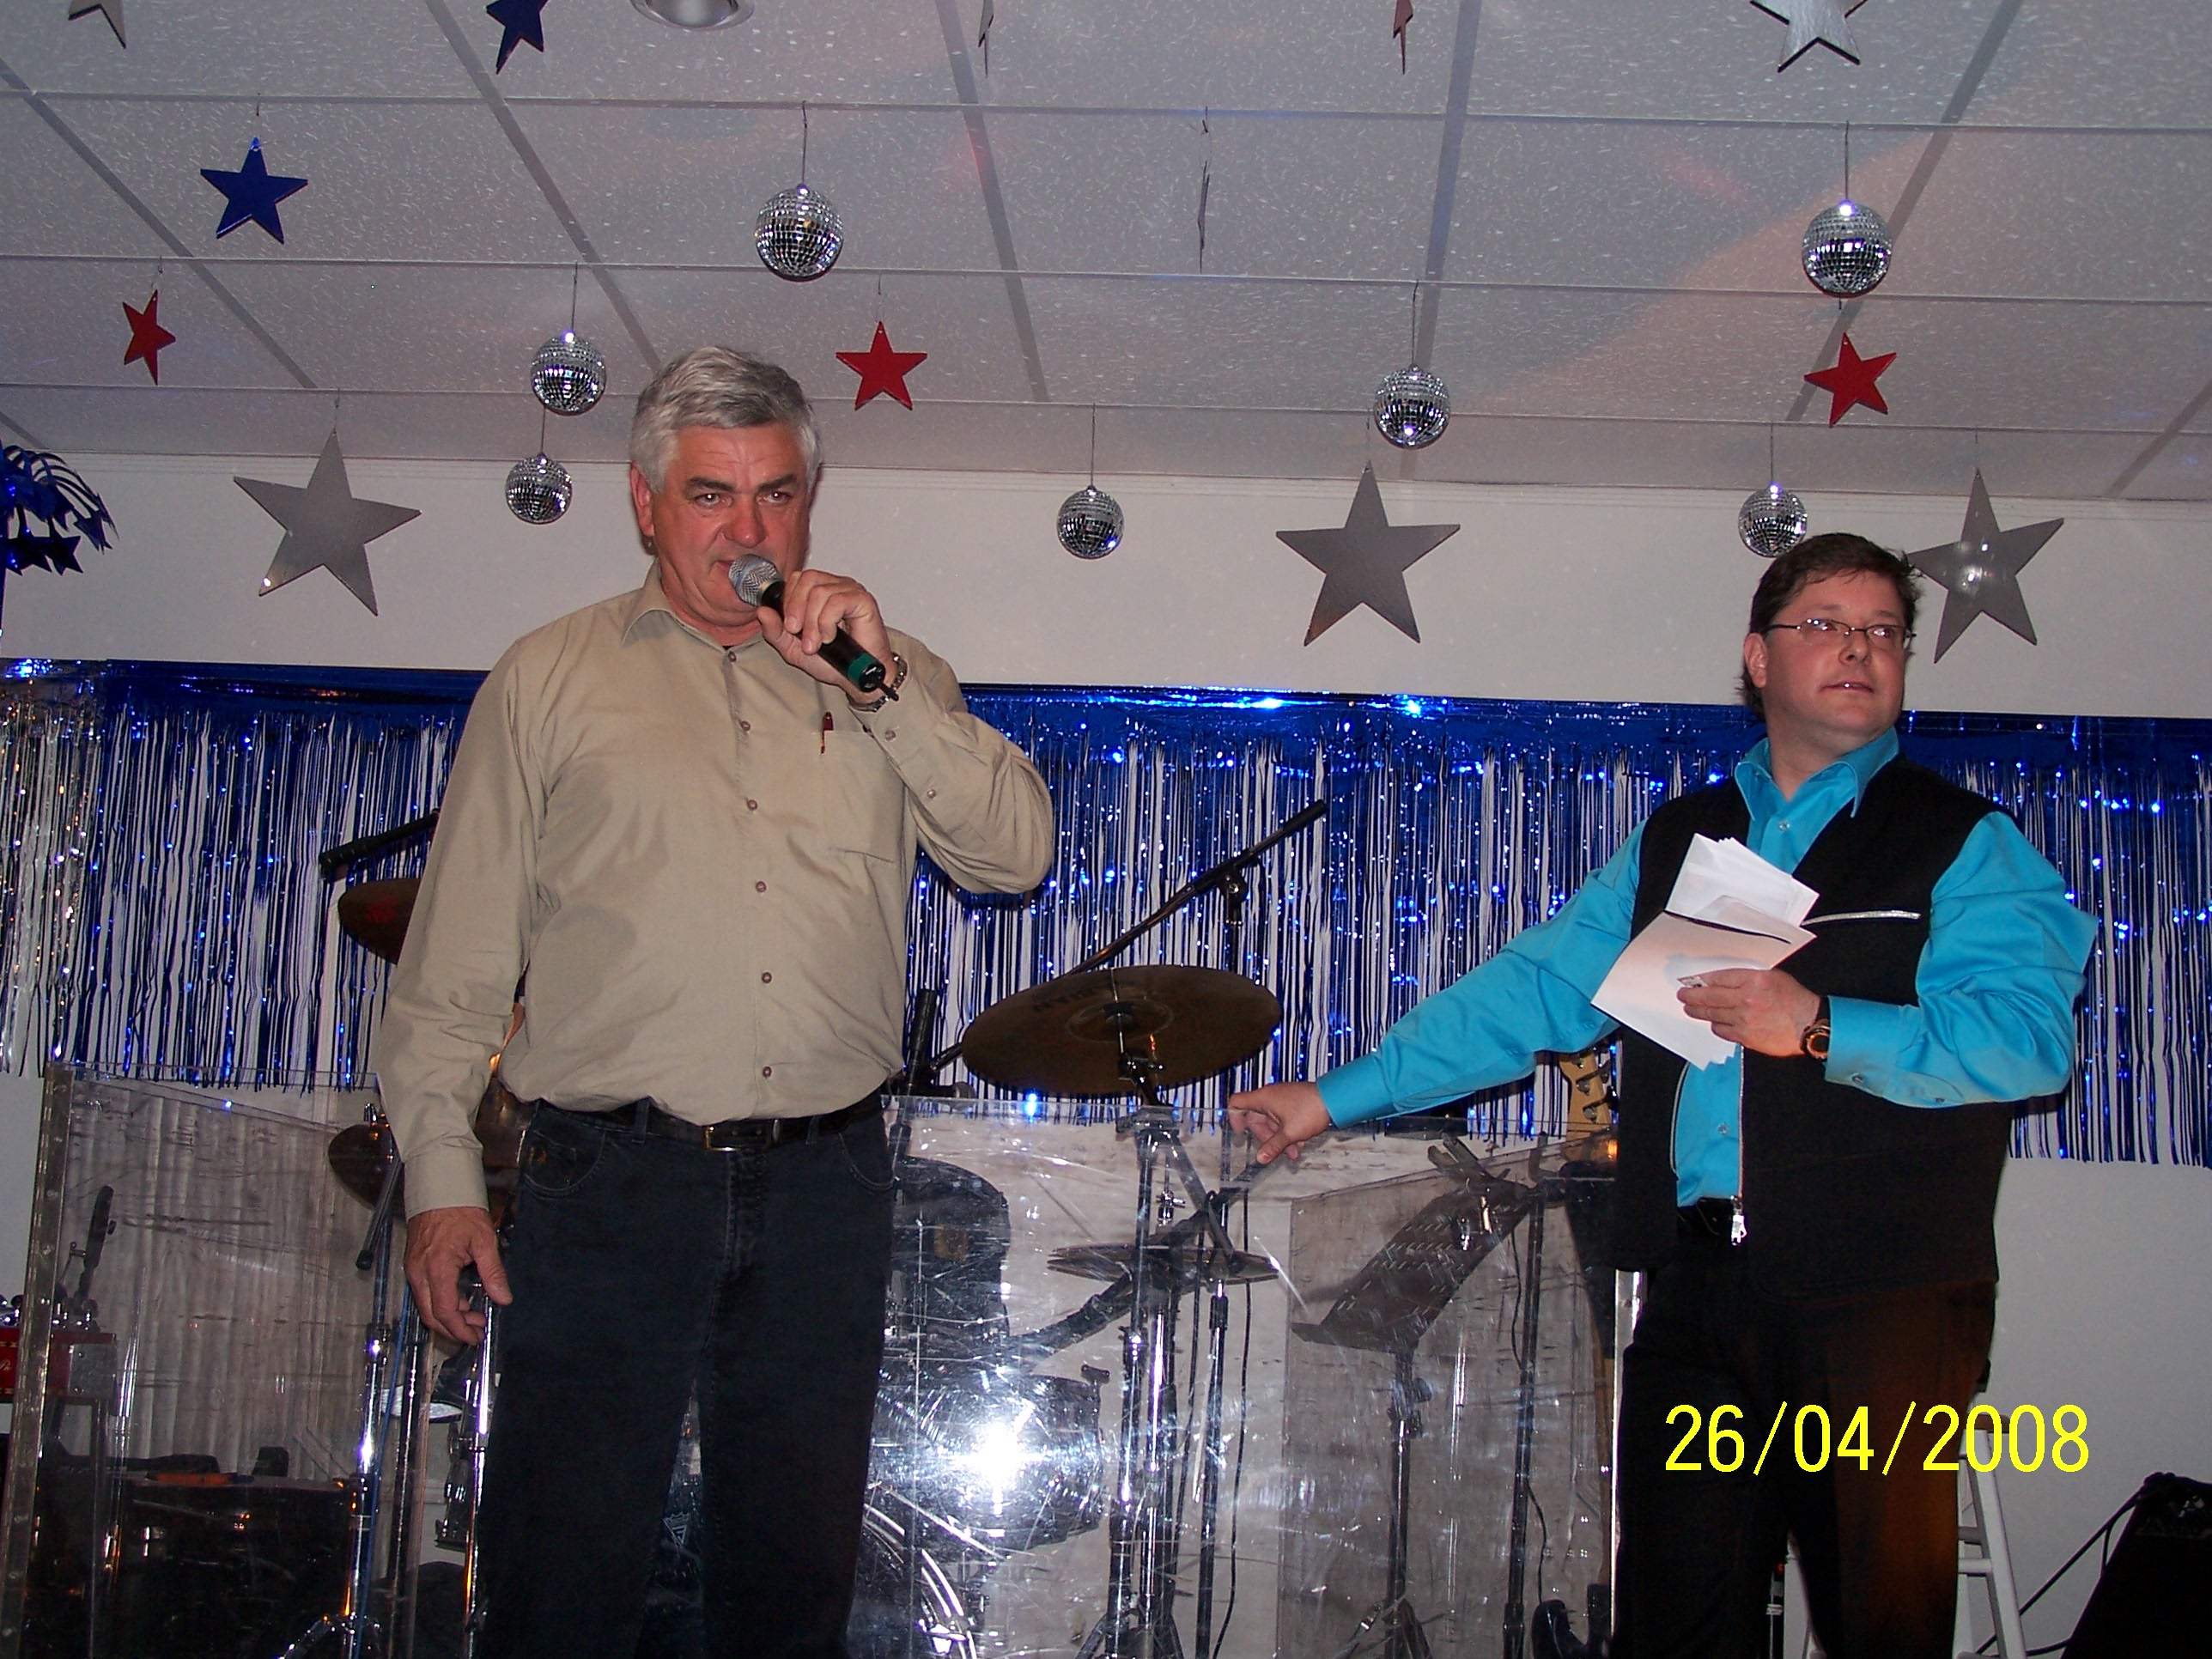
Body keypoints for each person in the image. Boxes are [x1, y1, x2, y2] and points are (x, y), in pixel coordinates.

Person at [1228, 533, 2094, 1659]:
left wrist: (1819, 1025)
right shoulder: (1685, 838)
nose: (1859, 649)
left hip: (1880, 1302)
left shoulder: (1963, 841)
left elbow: (2030, 1042)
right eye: (1825, 625)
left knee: (1881, 1621)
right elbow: (1543, 989)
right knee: (1676, 1619)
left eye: (1883, 632)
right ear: (1758, 658)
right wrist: (1334, 1098)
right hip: (1696, 1291)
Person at [373, 348, 1054, 1658]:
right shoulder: (549, 677)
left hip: (825, 1186)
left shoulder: (889, 670)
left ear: (809, 503)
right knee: (559, 1580)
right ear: (644, 504)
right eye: (710, 495)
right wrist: (443, 1186)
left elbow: (1015, 859)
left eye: (776, 494)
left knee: (791, 1590)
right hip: (608, 1181)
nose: (749, 532)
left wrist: (875, 685)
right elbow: (452, 971)